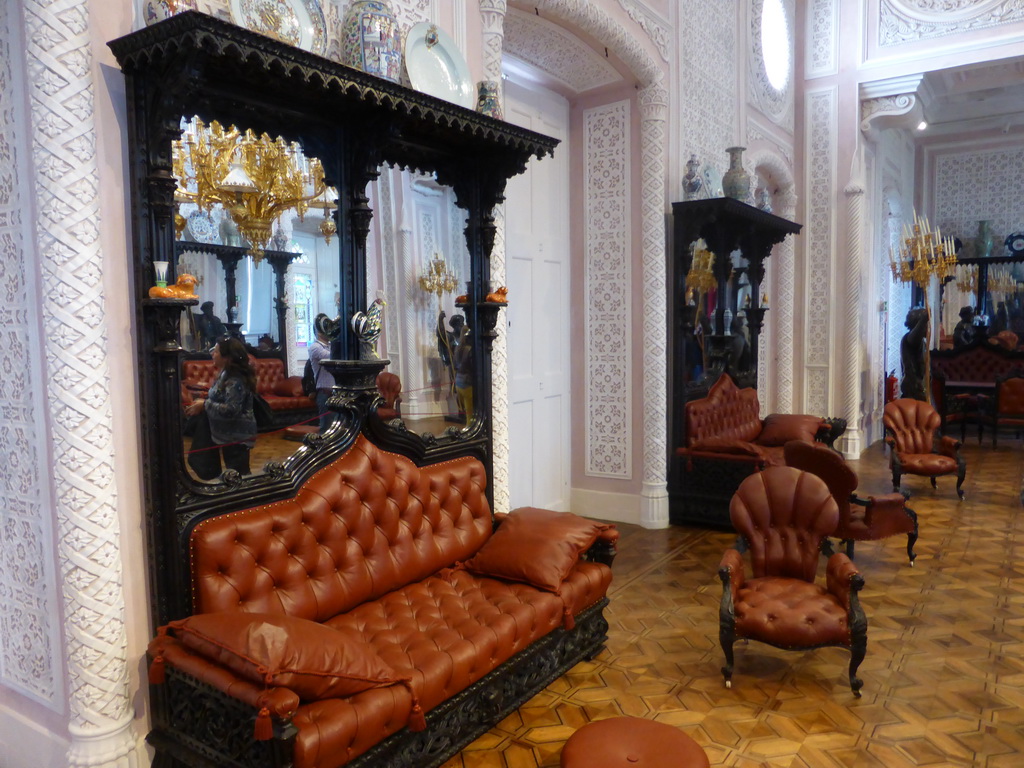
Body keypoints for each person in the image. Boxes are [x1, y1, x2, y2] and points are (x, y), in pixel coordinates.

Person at [185, 337, 257, 480]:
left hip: (237, 435)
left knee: (240, 476)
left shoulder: (235, 379)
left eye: (216, 351)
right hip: (225, 434)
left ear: (227, 357)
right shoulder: (225, 374)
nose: (212, 353)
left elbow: (231, 409)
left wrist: (204, 404)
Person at [309, 313, 337, 431]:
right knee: (326, 428)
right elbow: (331, 357)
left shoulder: (331, 346)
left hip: (336, 394)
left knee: (337, 428)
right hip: (325, 393)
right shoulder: (315, 347)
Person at [900, 307, 928, 401]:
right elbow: (916, 335)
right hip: (913, 386)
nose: (927, 328)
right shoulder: (909, 339)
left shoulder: (922, 342)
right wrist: (924, 319)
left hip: (919, 384)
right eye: (926, 326)